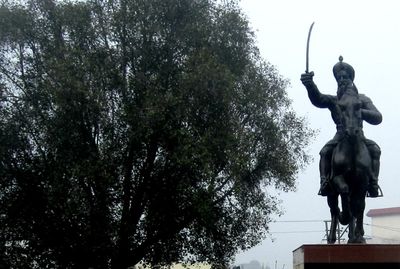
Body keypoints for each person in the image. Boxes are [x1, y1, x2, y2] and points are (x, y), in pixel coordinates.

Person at [300, 56, 382, 197]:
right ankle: (324, 182)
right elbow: (318, 99)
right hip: (340, 134)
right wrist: (310, 85)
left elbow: (378, 117)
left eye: (345, 77)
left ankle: (373, 183)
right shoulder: (334, 100)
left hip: (358, 134)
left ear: (351, 79)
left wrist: (358, 111)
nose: (342, 80)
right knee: (325, 152)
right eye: (339, 78)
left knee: (375, 150)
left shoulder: (362, 99)